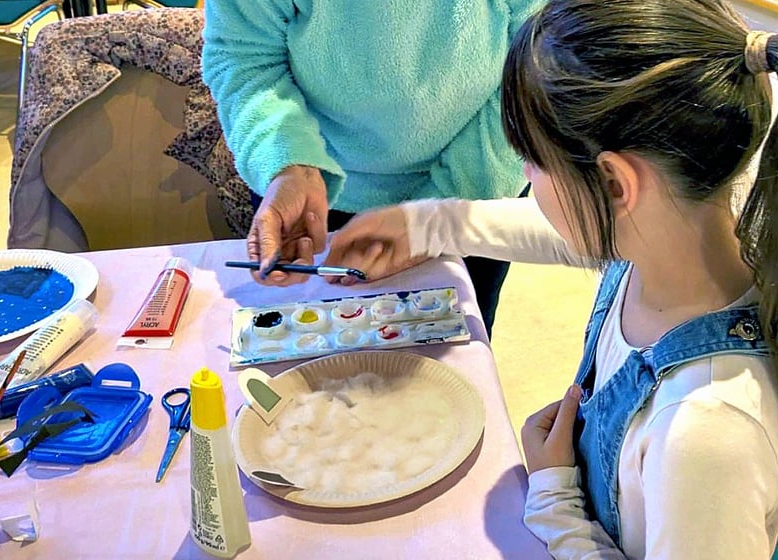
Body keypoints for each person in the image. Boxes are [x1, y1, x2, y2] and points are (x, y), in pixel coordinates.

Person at [323, 0, 778, 560]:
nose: (525, 176)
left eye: (533, 160)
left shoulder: (707, 434)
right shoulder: (674, 242)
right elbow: (561, 232)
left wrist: (556, 502)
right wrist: (428, 224)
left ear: (616, 185)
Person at [200, 0, 545, 338]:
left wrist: (437, 217)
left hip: (476, 181)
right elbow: (243, 57)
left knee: (457, 353)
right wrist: (288, 164)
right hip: (313, 190)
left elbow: (539, 65)